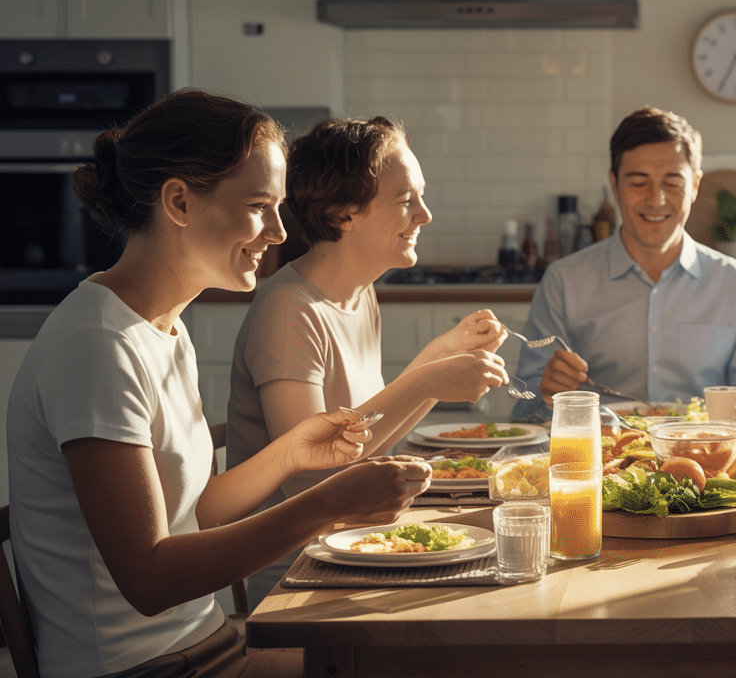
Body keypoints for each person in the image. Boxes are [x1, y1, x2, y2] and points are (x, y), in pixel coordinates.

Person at [6, 89, 434, 678]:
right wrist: (325, 506)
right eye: (261, 205)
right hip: (143, 667)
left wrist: (291, 451)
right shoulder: (96, 346)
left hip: (204, 643)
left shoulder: (163, 329)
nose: (281, 233)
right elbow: (150, 579)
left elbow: (196, 512)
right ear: (178, 201)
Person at [226, 116, 509, 608]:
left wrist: (444, 356)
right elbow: (313, 477)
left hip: (357, 550)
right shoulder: (290, 309)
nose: (424, 215)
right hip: (295, 578)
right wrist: (429, 381)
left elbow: (365, 434)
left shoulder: (358, 296)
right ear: (343, 213)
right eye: (405, 201)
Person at [509, 107, 736, 421]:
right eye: (639, 183)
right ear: (614, 186)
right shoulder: (563, 281)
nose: (656, 200)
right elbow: (526, 407)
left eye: (673, 183)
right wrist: (545, 393)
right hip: (599, 459)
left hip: (706, 458)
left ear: (695, 186)